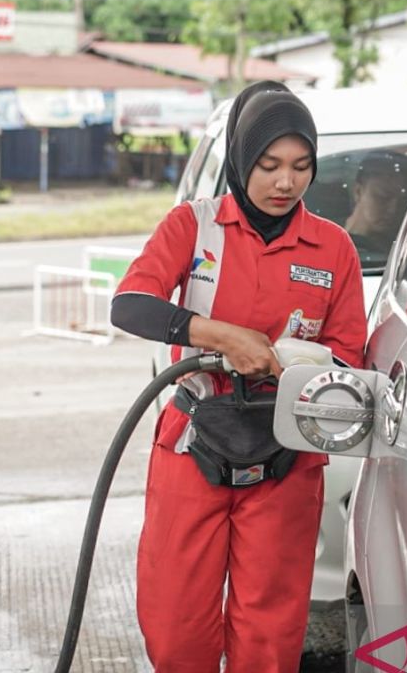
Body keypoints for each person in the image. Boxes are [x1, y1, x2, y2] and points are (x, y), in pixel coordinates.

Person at [110, 81, 368, 672]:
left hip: (289, 453)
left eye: (302, 166)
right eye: (269, 165)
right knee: (177, 632)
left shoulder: (334, 249)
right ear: (240, 161)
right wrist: (220, 336)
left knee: (270, 641)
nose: (285, 182)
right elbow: (129, 305)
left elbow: (349, 356)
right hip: (194, 442)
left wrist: (296, 361)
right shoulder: (195, 228)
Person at [343, 150, 407, 262]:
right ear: (358, 192)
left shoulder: (406, 245)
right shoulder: (329, 239)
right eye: (383, 198)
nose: (393, 209)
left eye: (403, 201)